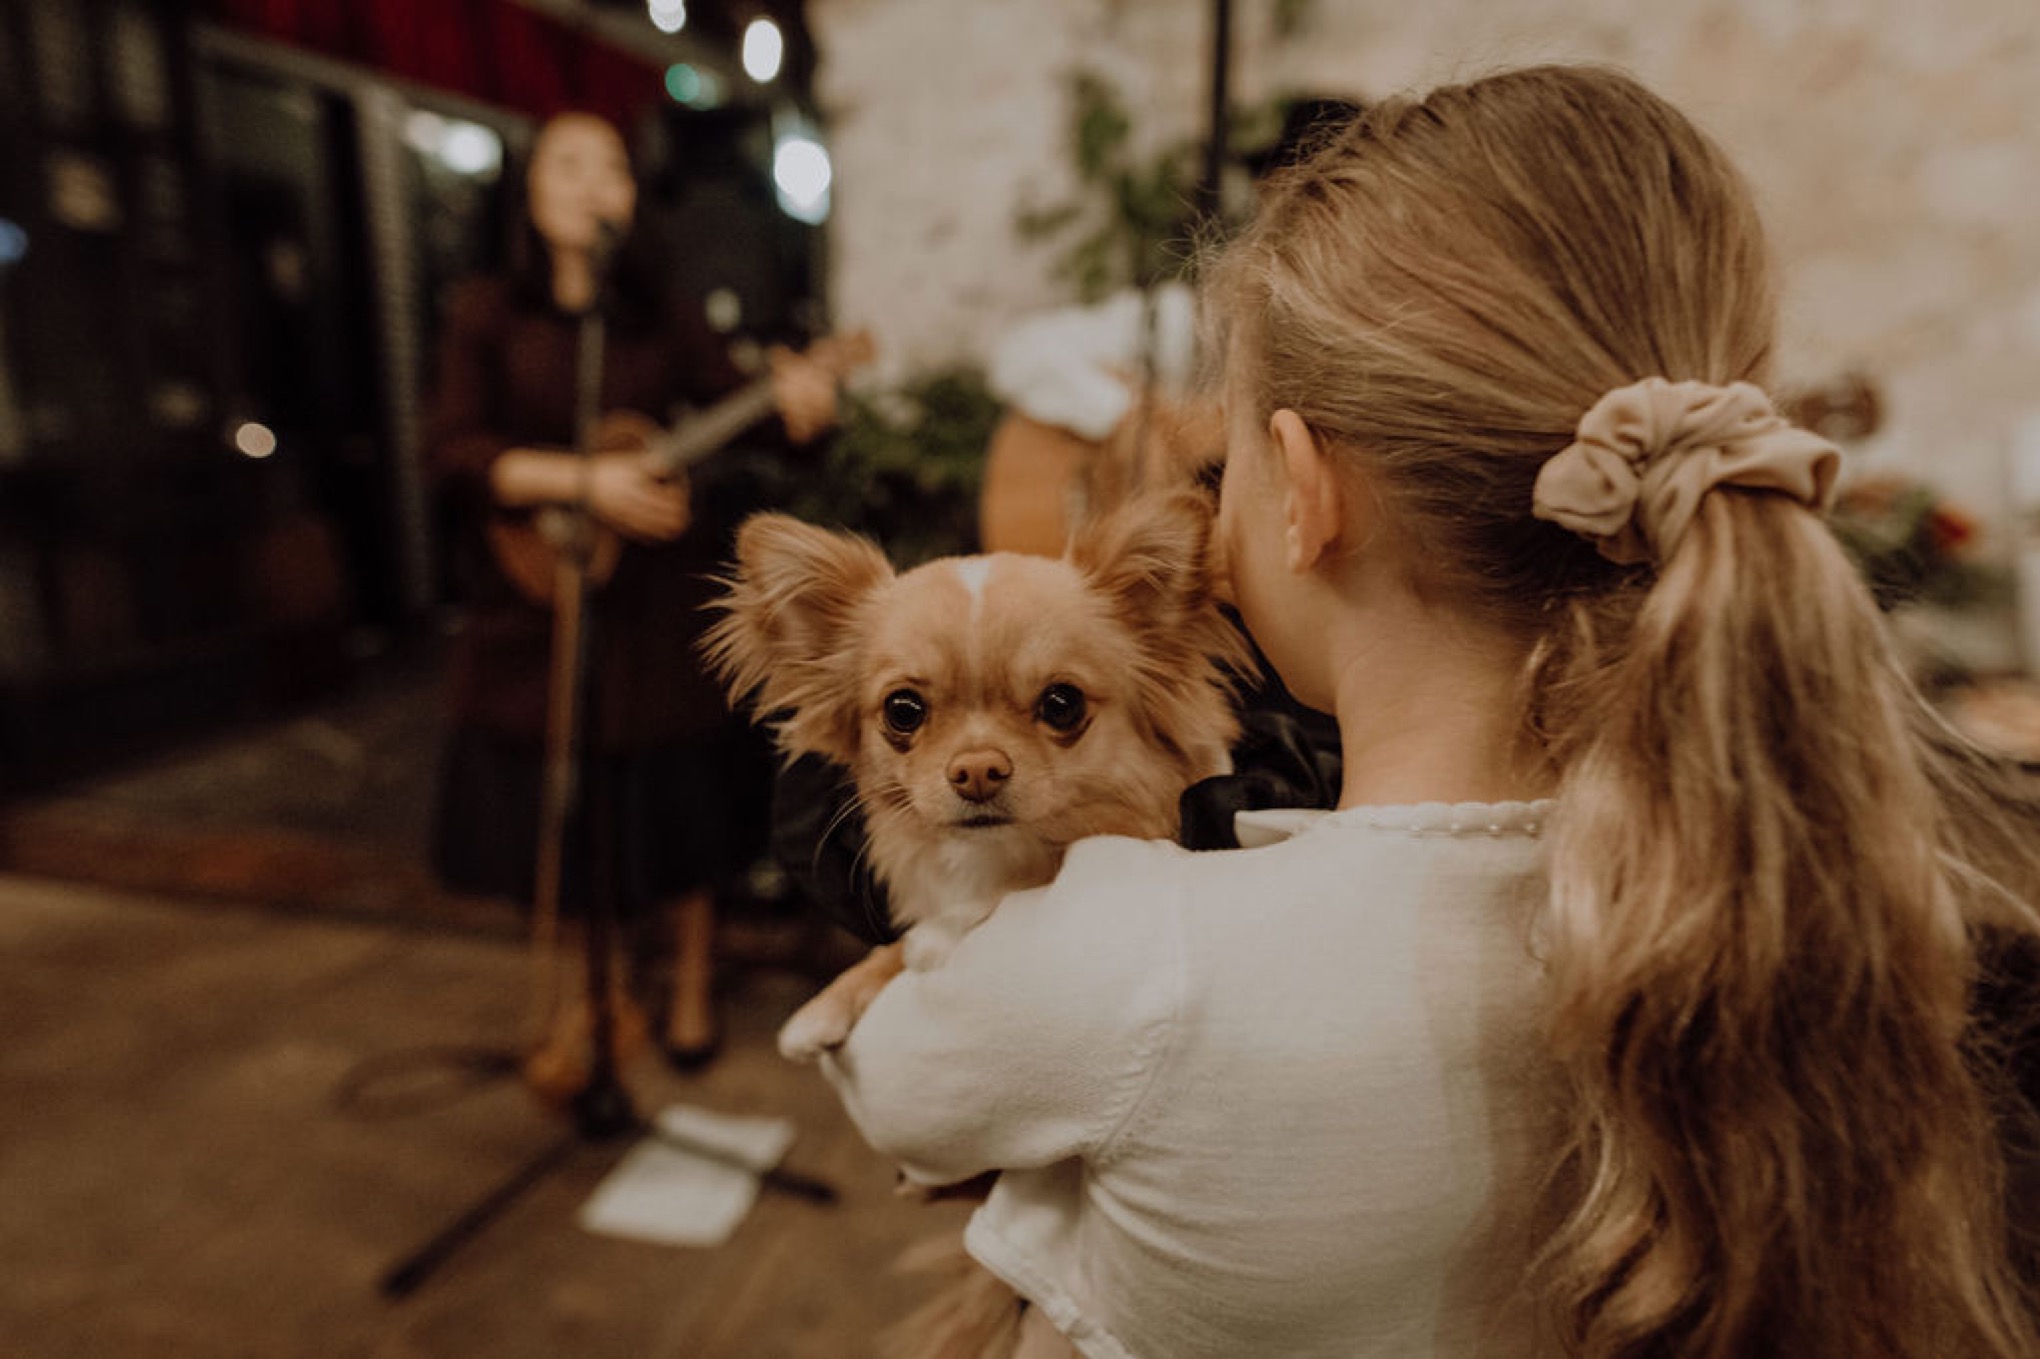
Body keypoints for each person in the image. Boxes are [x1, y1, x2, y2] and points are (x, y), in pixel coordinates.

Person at [818, 66, 2040, 1358]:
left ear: (1303, 492)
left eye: (1222, 465)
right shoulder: (1806, 914)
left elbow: (896, 1083)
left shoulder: (1128, 955)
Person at [425, 111, 839, 1074]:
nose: (588, 182)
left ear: (630, 196)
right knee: (569, 809)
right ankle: (598, 993)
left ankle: (691, 984)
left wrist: (803, 409)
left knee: (675, 801)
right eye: (565, 163)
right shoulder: (489, 313)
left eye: (609, 164)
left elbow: (759, 418)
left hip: (653, 605)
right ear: (530, 192)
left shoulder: (664, 315)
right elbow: (451, 453)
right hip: (541, 599)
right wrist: (583, 482)